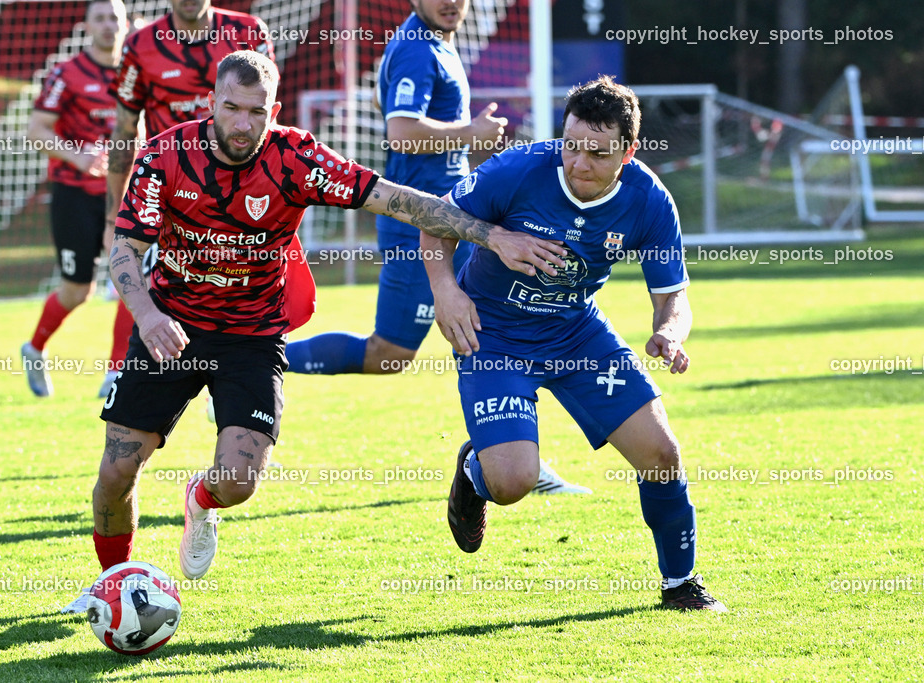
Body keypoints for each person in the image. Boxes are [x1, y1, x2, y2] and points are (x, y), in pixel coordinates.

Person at [61, 50, 565, 613]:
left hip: (252, 334)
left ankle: (199, 500)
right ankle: (116, 588)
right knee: (117, 468)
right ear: (212, 103)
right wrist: (148, 315)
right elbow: (127, 249)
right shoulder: (165, 155)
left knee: (238, 482)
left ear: (273, 110)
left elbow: (398, 200)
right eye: (231, 108)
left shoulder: (296, 158)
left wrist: (491, 236)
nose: (243, 123)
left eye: (257, 111)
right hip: (171, 322)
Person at [425, 76, 728, 611]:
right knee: (513, 482)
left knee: (662, 455)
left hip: (576, 331)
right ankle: (476, 474)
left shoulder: (648, 200)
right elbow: (433, 222)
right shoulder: (519, 170)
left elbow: (673, 296)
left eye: (597, 152)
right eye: (570, 144)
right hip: (492, 334)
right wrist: (447, 292)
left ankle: (680, 585)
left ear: (628, 152)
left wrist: (669, 332)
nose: (578, 162)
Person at [283, 0, 587, 494]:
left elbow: (437, 142)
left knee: (489, 329)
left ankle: (515, 460)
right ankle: (261, 360)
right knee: (392, 352)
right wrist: (472, 132)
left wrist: (475, 149)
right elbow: (401, 135)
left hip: (453, 222)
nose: (451, 2)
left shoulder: (438, 46)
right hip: (420, 230)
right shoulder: (415, 49)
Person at [99, 0, 274, 398]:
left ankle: (239, 411)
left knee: (245, 299)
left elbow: (268, 119)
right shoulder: (140, 45)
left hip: (245, 202)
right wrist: (114, 215)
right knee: (147, 286)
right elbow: (125, 132)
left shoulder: (250, 32)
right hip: (171, 202)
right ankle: (127, 385)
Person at [20, 0, 128, 397]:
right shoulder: (67, 74)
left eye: (115, 17)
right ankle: (35, 348)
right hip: (74, 195)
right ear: (85, 26)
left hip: (123, 193)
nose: (108, 25)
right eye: (100, 17)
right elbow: (36, 130)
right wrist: (78, 156)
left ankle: (117, 373)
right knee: (77, 290)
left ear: (126, 23)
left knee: (131, 275)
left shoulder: (139, 73)